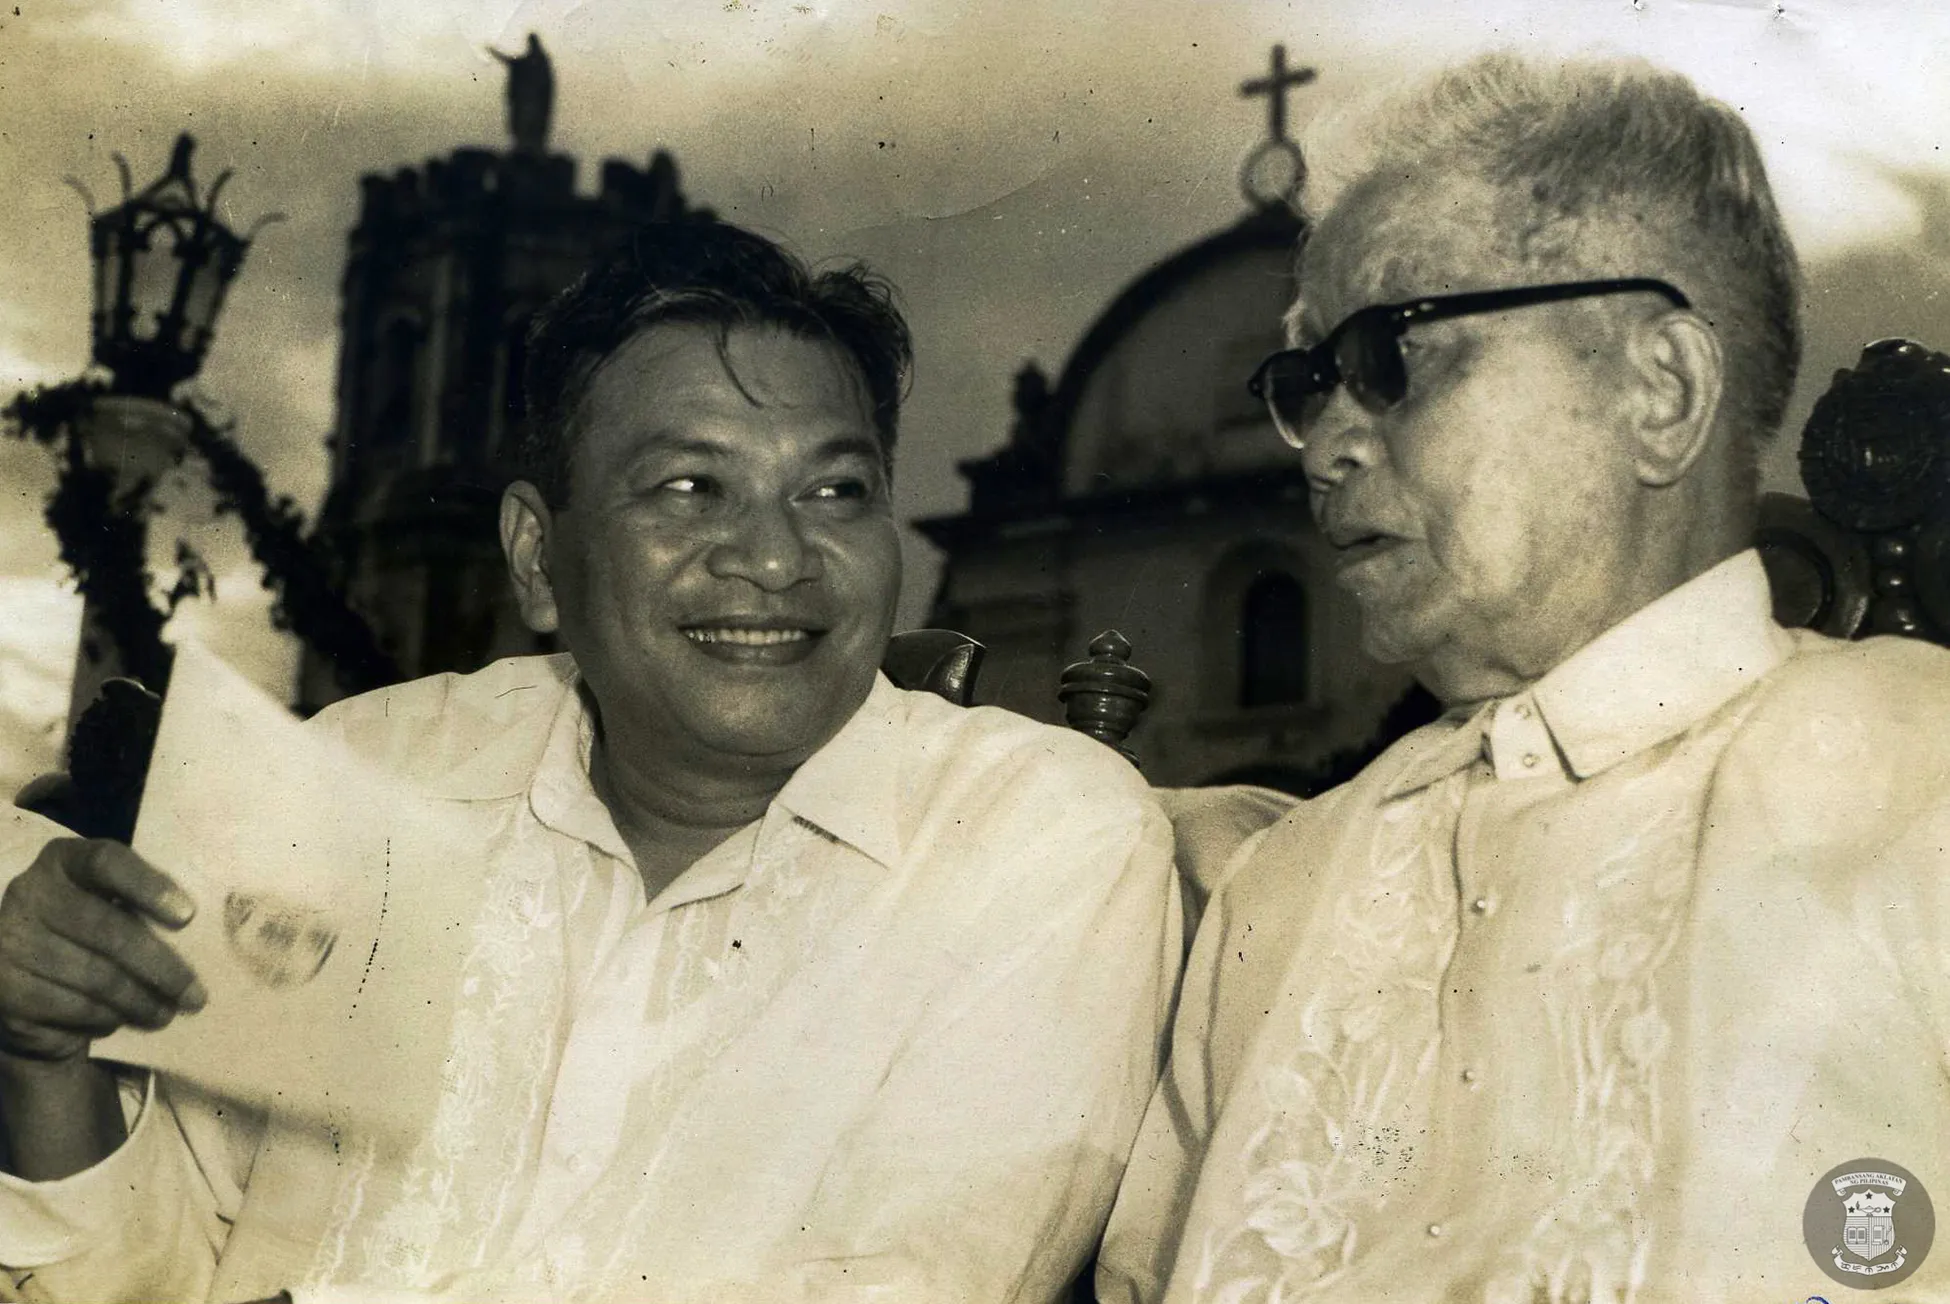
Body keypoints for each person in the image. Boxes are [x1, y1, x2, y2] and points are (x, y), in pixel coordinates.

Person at [0, 222, 1181, 1302]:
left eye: (835, 489)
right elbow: (148, 1273)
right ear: (536, 556)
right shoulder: (369, 775)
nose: (776, 557)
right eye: (689, 486)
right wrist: (44, 1053)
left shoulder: (1029, 833)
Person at [1098, 53, 1950, 1303]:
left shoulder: (1921, 771)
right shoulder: (1278, 888)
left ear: (1660, 390)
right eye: (1307, 385)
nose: (1325, 446)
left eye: (1392, 357)